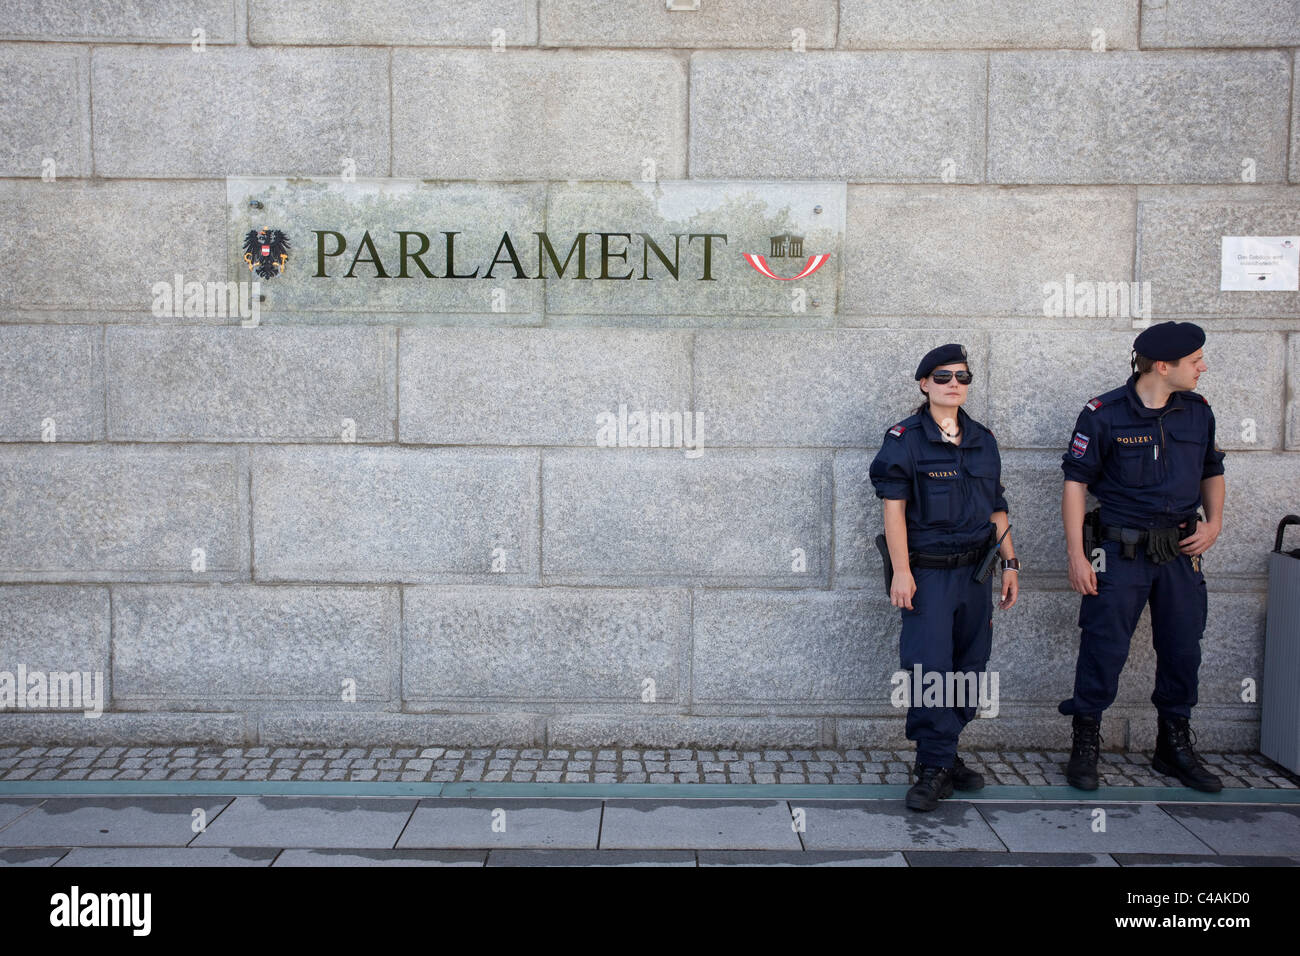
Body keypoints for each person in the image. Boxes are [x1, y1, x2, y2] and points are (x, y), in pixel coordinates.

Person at [1059, 321, 1226, 792]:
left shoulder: (1197, 411)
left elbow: (1212, 469)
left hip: (1180, 550)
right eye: (1195, 361)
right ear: (1162, 366)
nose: (1202, 367)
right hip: (1119, 550)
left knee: (1182, 648)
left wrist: (1214, 524)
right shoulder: (1103, 413)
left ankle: (1172, 747)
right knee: (1103, 645)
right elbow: (1076, 483)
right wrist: (1077, 554)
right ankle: (1085, 742)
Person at [869, 344, 1019, 812]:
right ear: (924, 384)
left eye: (963, 376)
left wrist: (1010, 563)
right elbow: (893, 513)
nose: (955, 383)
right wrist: (902, 573)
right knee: (928, 669)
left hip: (977, 574)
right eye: (944, 376)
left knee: (970, 668)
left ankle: (946, 753)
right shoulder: (904, 439)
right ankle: (933, 766)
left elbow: (997, 506)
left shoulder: (982, 439)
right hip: (929, 577)